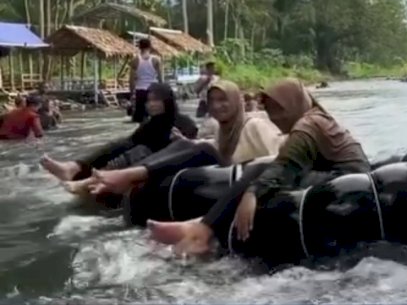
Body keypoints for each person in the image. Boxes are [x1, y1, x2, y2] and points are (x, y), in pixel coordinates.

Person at [147, 78, 371, 256]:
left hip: (346, 179)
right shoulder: (315, 117)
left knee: (259, 170)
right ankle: (200, 225)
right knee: (263, 174)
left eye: (280, 109)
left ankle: (201, 233)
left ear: (295, 103)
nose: (275, 118)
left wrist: (252, 192)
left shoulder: (308, 124)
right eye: (271, 111)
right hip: (340, 175)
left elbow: (284, 165)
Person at [86, 80, 285, 196]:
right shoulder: (222, 131)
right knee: (190, 145)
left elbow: (278, 160)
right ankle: (113, 176)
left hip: (247, 184)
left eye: (223, 100)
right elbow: (211, 146)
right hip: (224, 181)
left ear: (236, 101)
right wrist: (187, 142)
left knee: (202, 149)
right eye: (212, 101)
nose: (216, 106)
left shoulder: (255, 126)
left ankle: (125, 176)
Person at [40, 83, 198, 194]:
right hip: (137, 164)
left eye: (156, 100)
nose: (151, 104)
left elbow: (192, 149)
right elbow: (127, 144)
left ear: (168, 101)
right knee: (120, 144)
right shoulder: (149, 124)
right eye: (149, 100)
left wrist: (181, 140)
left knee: (140, 151)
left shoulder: (185, 123)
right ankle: (74, 168)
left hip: (157, 166)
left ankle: (88, 181)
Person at [130, 38, 163, 123]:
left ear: (139, 47)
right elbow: (160, 78)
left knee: (142, 118)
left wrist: (132, 94)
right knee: (155, 115)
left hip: (140, 90)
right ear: (150, 47)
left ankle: (144, 133)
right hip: (153, 89)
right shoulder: (156, 60)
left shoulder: (135, 60)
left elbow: (131, 80)